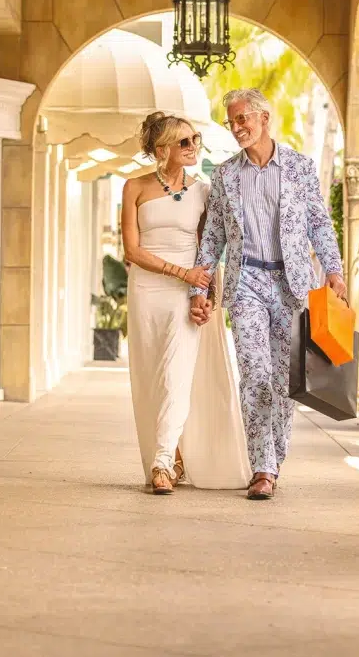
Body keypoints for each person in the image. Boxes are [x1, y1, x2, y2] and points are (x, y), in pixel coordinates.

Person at [190, 89, 346, 500]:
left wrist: (334, 271)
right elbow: (213, 238)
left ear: (263, 119)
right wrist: (199, 287)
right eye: (231, 122)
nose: (237, 127)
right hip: (247, 286)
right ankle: (262, 467)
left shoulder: (299, 167)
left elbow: (319, 224)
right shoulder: (225, 176)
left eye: (243, 119)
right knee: (255, 375)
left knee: (284, 381)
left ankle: (274, 459)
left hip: (293, 286)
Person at [122, 112, 251, 495]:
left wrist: (206, 296)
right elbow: (132, 250)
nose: (194, 145)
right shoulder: (134, 188)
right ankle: (170, 457)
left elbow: (208, 249)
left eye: (195, 138)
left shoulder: (203, 190)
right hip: (146, 290)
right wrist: (183, 274)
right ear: (162, 150)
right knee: (151, 378)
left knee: (176, 373)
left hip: (186, 293)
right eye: (184, 141)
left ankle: (162, 464)